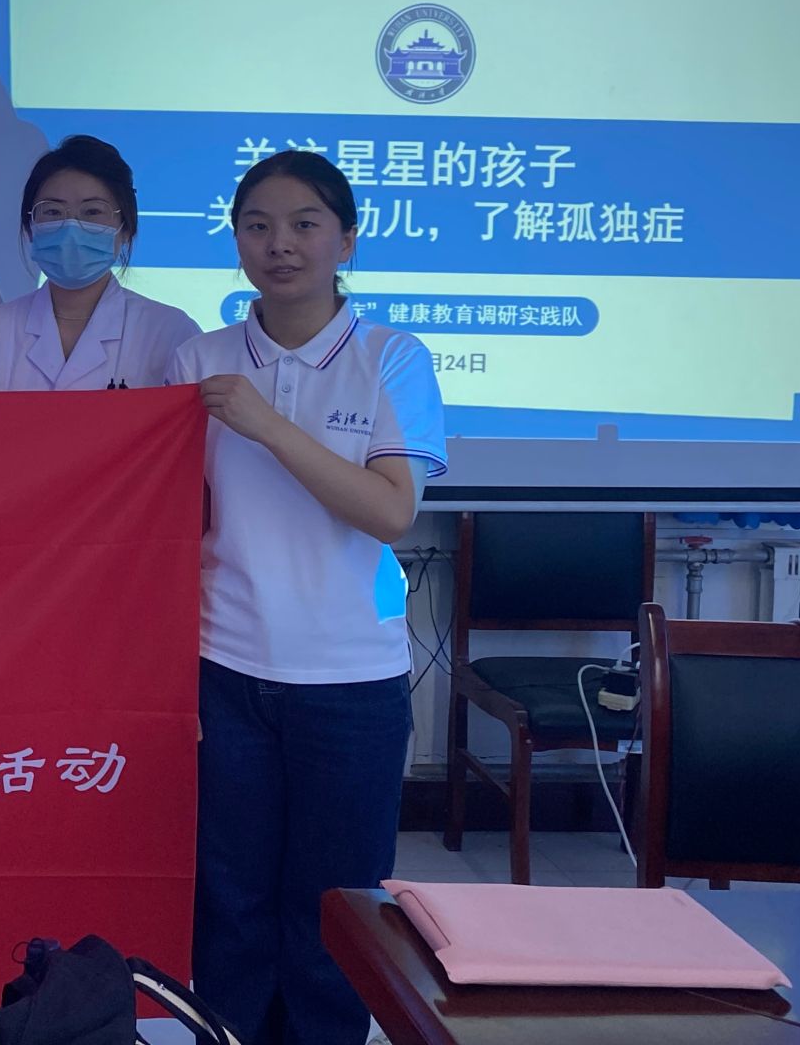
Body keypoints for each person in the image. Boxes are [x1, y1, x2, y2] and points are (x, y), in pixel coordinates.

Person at [168, 149, 447, 1045]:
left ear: (346, 241)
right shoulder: (199, 358)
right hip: (225, 667)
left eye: (303, 225)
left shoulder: (390, 358)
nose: (279, 244)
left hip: (350, 679)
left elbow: (390, 510)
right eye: (257, 226)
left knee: (333, 910)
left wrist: (267, 425)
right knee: (232, 906)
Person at [0, 134, 197, 390]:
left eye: (92, 211)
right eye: (53, 211)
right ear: (30, 227)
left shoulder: (171, 332)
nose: (71, 228)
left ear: (126, 228)